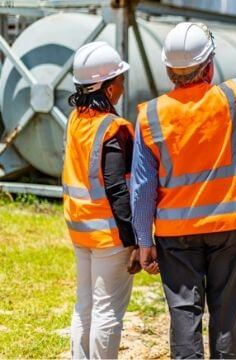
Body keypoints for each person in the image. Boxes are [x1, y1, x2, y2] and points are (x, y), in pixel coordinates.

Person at [131, 21, 236, 358]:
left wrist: (142, 241)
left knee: (184, 315)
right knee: (228, 316)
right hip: (230, 229)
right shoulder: (231, 98)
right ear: (209, 66)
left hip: (175, 235)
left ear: (169, 70)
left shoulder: (150, 116)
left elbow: (142, 186)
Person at [62, 41, 140, 359]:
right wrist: (134, 240)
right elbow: (117, 189)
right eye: (119, 79)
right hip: (109, 235)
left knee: (86, 304)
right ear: (107, 88)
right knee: (108, 311)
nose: (122, 85)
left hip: (80, 228)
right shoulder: (113, 128)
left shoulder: (74, 120)